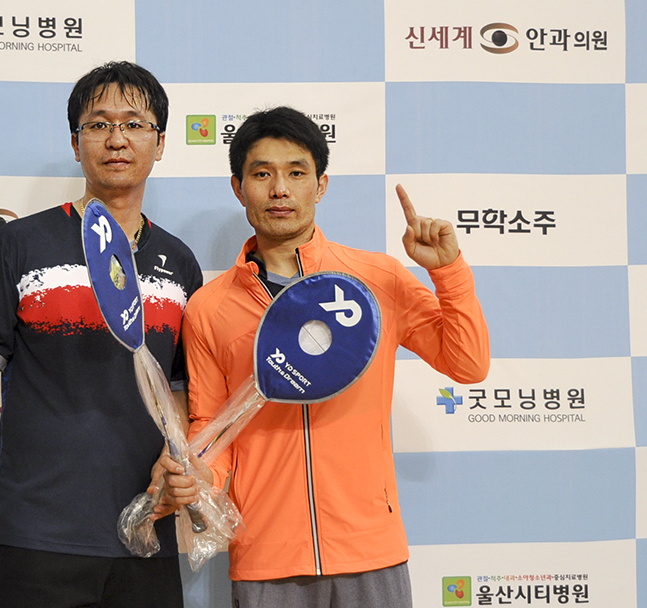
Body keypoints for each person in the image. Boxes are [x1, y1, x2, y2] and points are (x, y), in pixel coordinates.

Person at [0, 61, 203, 608]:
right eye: (99, 124)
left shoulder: (179, 263)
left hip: (147, 530)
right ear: (75, 142)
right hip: (39, 535)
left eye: (134, 124)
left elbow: (180, 389)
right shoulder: (19, 244)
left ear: (159, 143)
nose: (117, 139)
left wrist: (175, 458)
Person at [167, 106, 489, 608]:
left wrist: (448, 272)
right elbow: (213, 427)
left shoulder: (377, 279)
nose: (280, 190)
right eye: (262, 174)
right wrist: (201, 475)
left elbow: (467, 364)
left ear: (320, 186)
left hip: (371, 550)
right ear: (238, 187)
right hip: (266, 556)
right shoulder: (209, 308)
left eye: (297, 173)